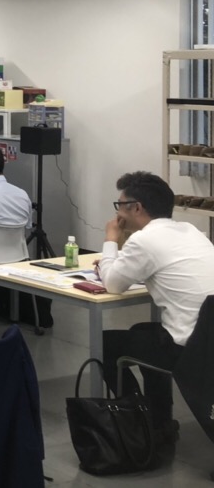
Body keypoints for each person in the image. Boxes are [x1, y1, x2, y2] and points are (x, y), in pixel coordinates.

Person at [99, 172, 214, 436]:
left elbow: (113, 285)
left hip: (190, 346)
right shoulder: (191, 230)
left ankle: (138, 419)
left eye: (119, 205)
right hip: (209, 336)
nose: (117, 213)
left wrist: (110, 239)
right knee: (143, 331)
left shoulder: (144, 240)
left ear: (136, 207)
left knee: (106, 343)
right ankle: (159, 419)